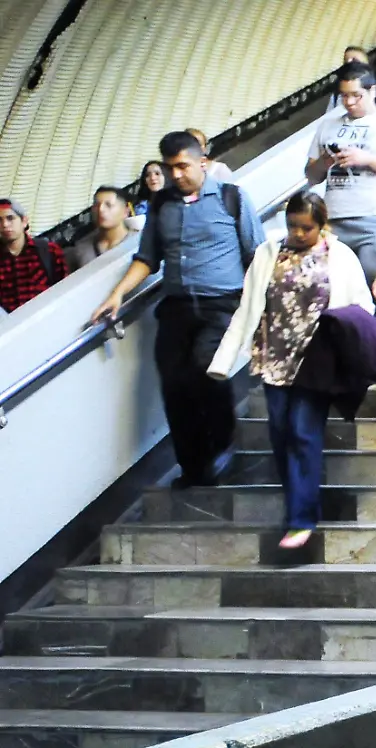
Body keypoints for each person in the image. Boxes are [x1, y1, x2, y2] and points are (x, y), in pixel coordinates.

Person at [90, 131, 263, 487]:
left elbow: (257, 256)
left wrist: (262, 309)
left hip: (222, 303)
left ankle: (223, 441)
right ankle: (193, 466)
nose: (177, 175)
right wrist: (117, 294)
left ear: (202, 162)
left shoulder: (232, 198)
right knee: (174, 383)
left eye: (183, 166)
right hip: (177, 305)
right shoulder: (161, 205)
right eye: (171, 168)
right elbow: (148, 258)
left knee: (207, 367)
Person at [209, 192, 376, 549]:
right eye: (293, 226)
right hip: (274, 358)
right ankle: (300, 505)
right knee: (281, 432)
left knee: (303, 431)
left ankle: (301, 518)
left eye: (307, 228)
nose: (299, 234)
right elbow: (248, 306)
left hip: (318, 362)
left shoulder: (340, 256)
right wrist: (224, 361)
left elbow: (363, 307)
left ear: (322, 225)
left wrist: (352, 348)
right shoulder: (268, 254)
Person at [308, 59, 376, 328]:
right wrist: (325, 161)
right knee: (332, 287)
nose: (349, 103)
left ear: (374, 91)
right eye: (343, 96)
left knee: (375, 278)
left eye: (356, 95)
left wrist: (367, 159)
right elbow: (311, 175)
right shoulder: (327, 124)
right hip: (334, 218)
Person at [0, 199, 65, 310]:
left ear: (24, 221)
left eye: (10, 218)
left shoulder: (48, 250)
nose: (5, 224)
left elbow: (65, 290)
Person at [66, 187, 136, 269]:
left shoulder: (138, 242)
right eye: (96, 205)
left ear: (125, 211)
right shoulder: (81, 250)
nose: (101, 210)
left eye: (108, 205)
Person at [130, 160, 166, 230]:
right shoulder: (140, 206)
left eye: (157, 173)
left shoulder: (177, 204)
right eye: (147, 175)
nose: (152, 178)